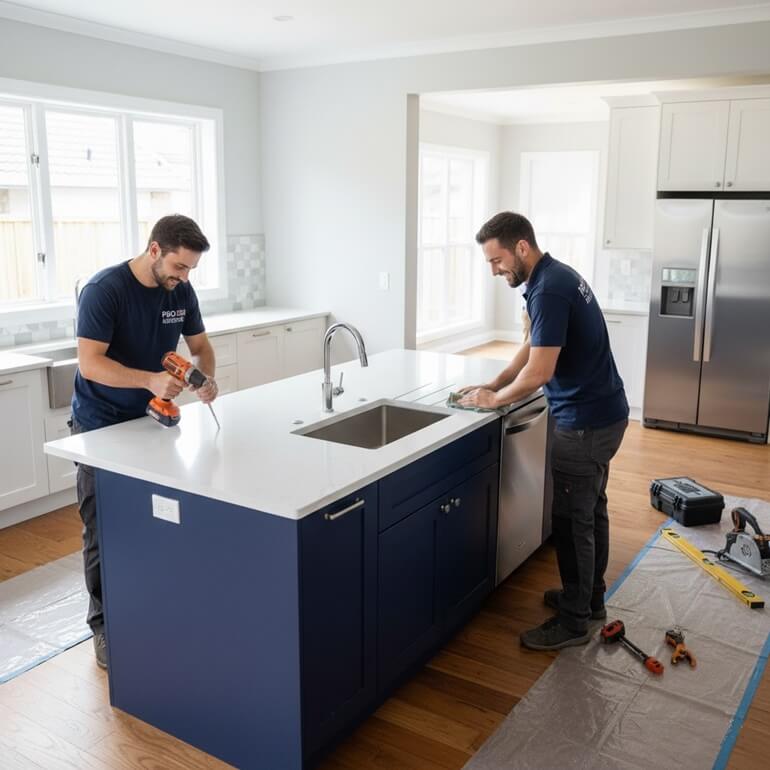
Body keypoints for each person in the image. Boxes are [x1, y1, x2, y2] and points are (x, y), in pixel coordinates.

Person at [459, 211, 628, 651]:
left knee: (573, 522)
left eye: (497, 261)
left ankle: (575, 621)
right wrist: (492, 385)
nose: (494, 271)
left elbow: (539, 370)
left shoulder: (549, 289)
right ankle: (587, 600)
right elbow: (531, 345)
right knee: (590, 512)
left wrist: (497, 402)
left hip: (586, 423)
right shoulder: (550, 279)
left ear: (521, 247)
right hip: (602, 413)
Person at [70, 214, 218, 669]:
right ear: (155, 250)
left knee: (155, 520)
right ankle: (104, 630)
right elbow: (90, 364)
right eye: (179, 266)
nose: (184, 277)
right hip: (100, 424)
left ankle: (150, 611)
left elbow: (200, 345)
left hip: (152, 423)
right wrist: (150, 380)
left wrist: (204, 377)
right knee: (103, 529)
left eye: (191, 269)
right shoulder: (105, 290)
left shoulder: (180, 291)